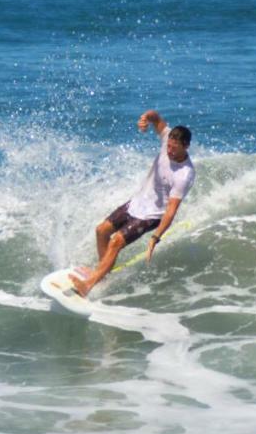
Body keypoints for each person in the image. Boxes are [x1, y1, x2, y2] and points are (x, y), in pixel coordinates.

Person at [70, 109, 195, 297]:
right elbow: (156, 118)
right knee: (101, 230)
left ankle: (89, 284)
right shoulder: (168, 138)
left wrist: (156, 237)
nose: (169, 151)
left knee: (116, 241)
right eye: (168, 146)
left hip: (152, 215)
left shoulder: (184, 174)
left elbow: (171, 210)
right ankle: (103, 274)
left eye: (174, 148)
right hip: (137, 202)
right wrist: (145, 119)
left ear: (186, 146)